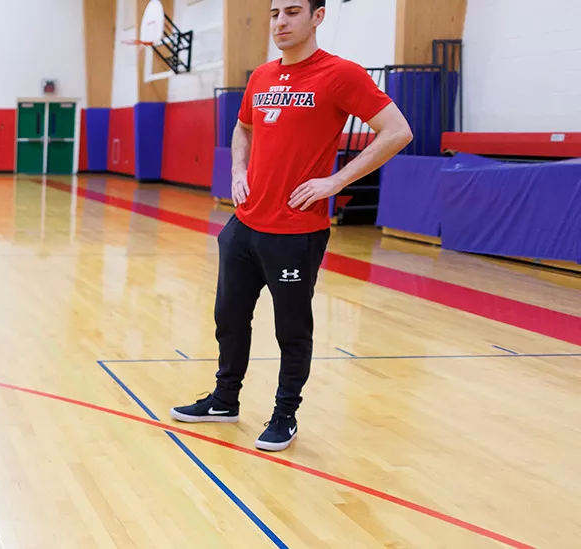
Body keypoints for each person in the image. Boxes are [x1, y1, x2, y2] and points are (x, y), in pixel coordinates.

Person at [169, 0, 413, 452]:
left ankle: (285, 414)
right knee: (229, 318)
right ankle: (225, 400)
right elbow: (242, 128)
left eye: (293, 12)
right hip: (244, 224)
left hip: (296, 231)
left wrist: (336, 181)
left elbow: (397, 130)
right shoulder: (261, 76)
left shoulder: (340, 74)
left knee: (291, 329)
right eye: (275, 13)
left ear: (318, 16)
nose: (280, 22)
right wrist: (238, 172)